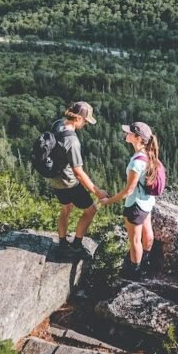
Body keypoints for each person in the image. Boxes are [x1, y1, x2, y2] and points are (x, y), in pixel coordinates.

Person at [96, 121, 159, 278]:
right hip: (147, 202)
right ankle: (146, 262)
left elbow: (128, 190)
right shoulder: (149, 155)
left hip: (135, 205)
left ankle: (134, 273)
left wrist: (108, 201)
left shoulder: (137, 162)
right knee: (147, 232)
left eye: (129, 132)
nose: (126, 134)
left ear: (137, 137)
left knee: (135, 240)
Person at [49, 101, 107, 257]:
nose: (86, 125)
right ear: (79, 119)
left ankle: (62, 242)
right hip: (69, 182)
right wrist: (97, 191)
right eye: (86, 121)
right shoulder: (72, 141)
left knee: (66, 209)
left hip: (54, 179)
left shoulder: (58, 124)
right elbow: (78, 172)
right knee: (91, 210)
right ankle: (76, 244)